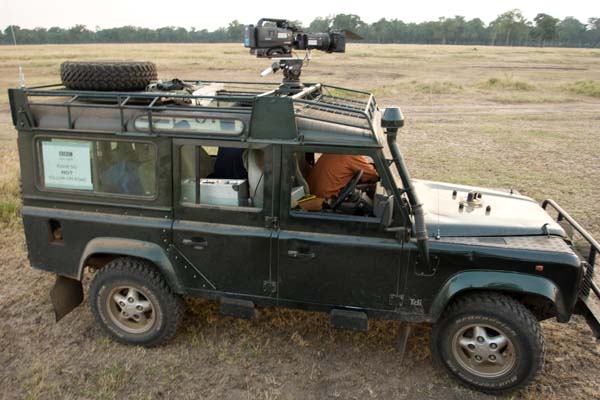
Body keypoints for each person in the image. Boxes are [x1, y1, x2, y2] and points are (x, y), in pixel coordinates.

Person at [307, 154, 379, 199]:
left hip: (312, 194)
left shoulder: (336, 150)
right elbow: (373, 175)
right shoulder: (351, 154)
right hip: (325, 200)